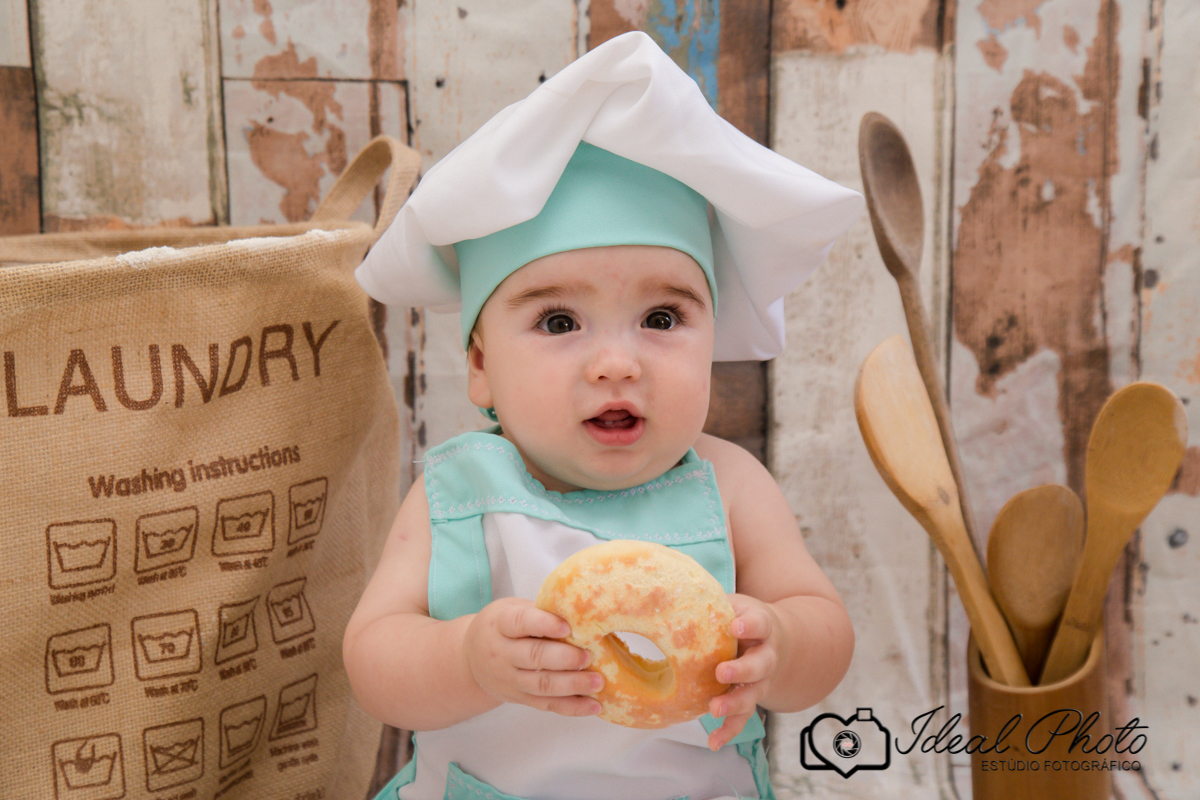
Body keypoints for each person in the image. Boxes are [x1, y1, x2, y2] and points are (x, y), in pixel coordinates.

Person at [344, 31, 863, 800]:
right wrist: (465, 658)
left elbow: (825, 631)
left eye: (660, 318)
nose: (617, 363)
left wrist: (780, 643)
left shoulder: (730, 485)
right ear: (481, 365)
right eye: (559, 323)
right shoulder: (459, 495)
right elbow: (373, 661)